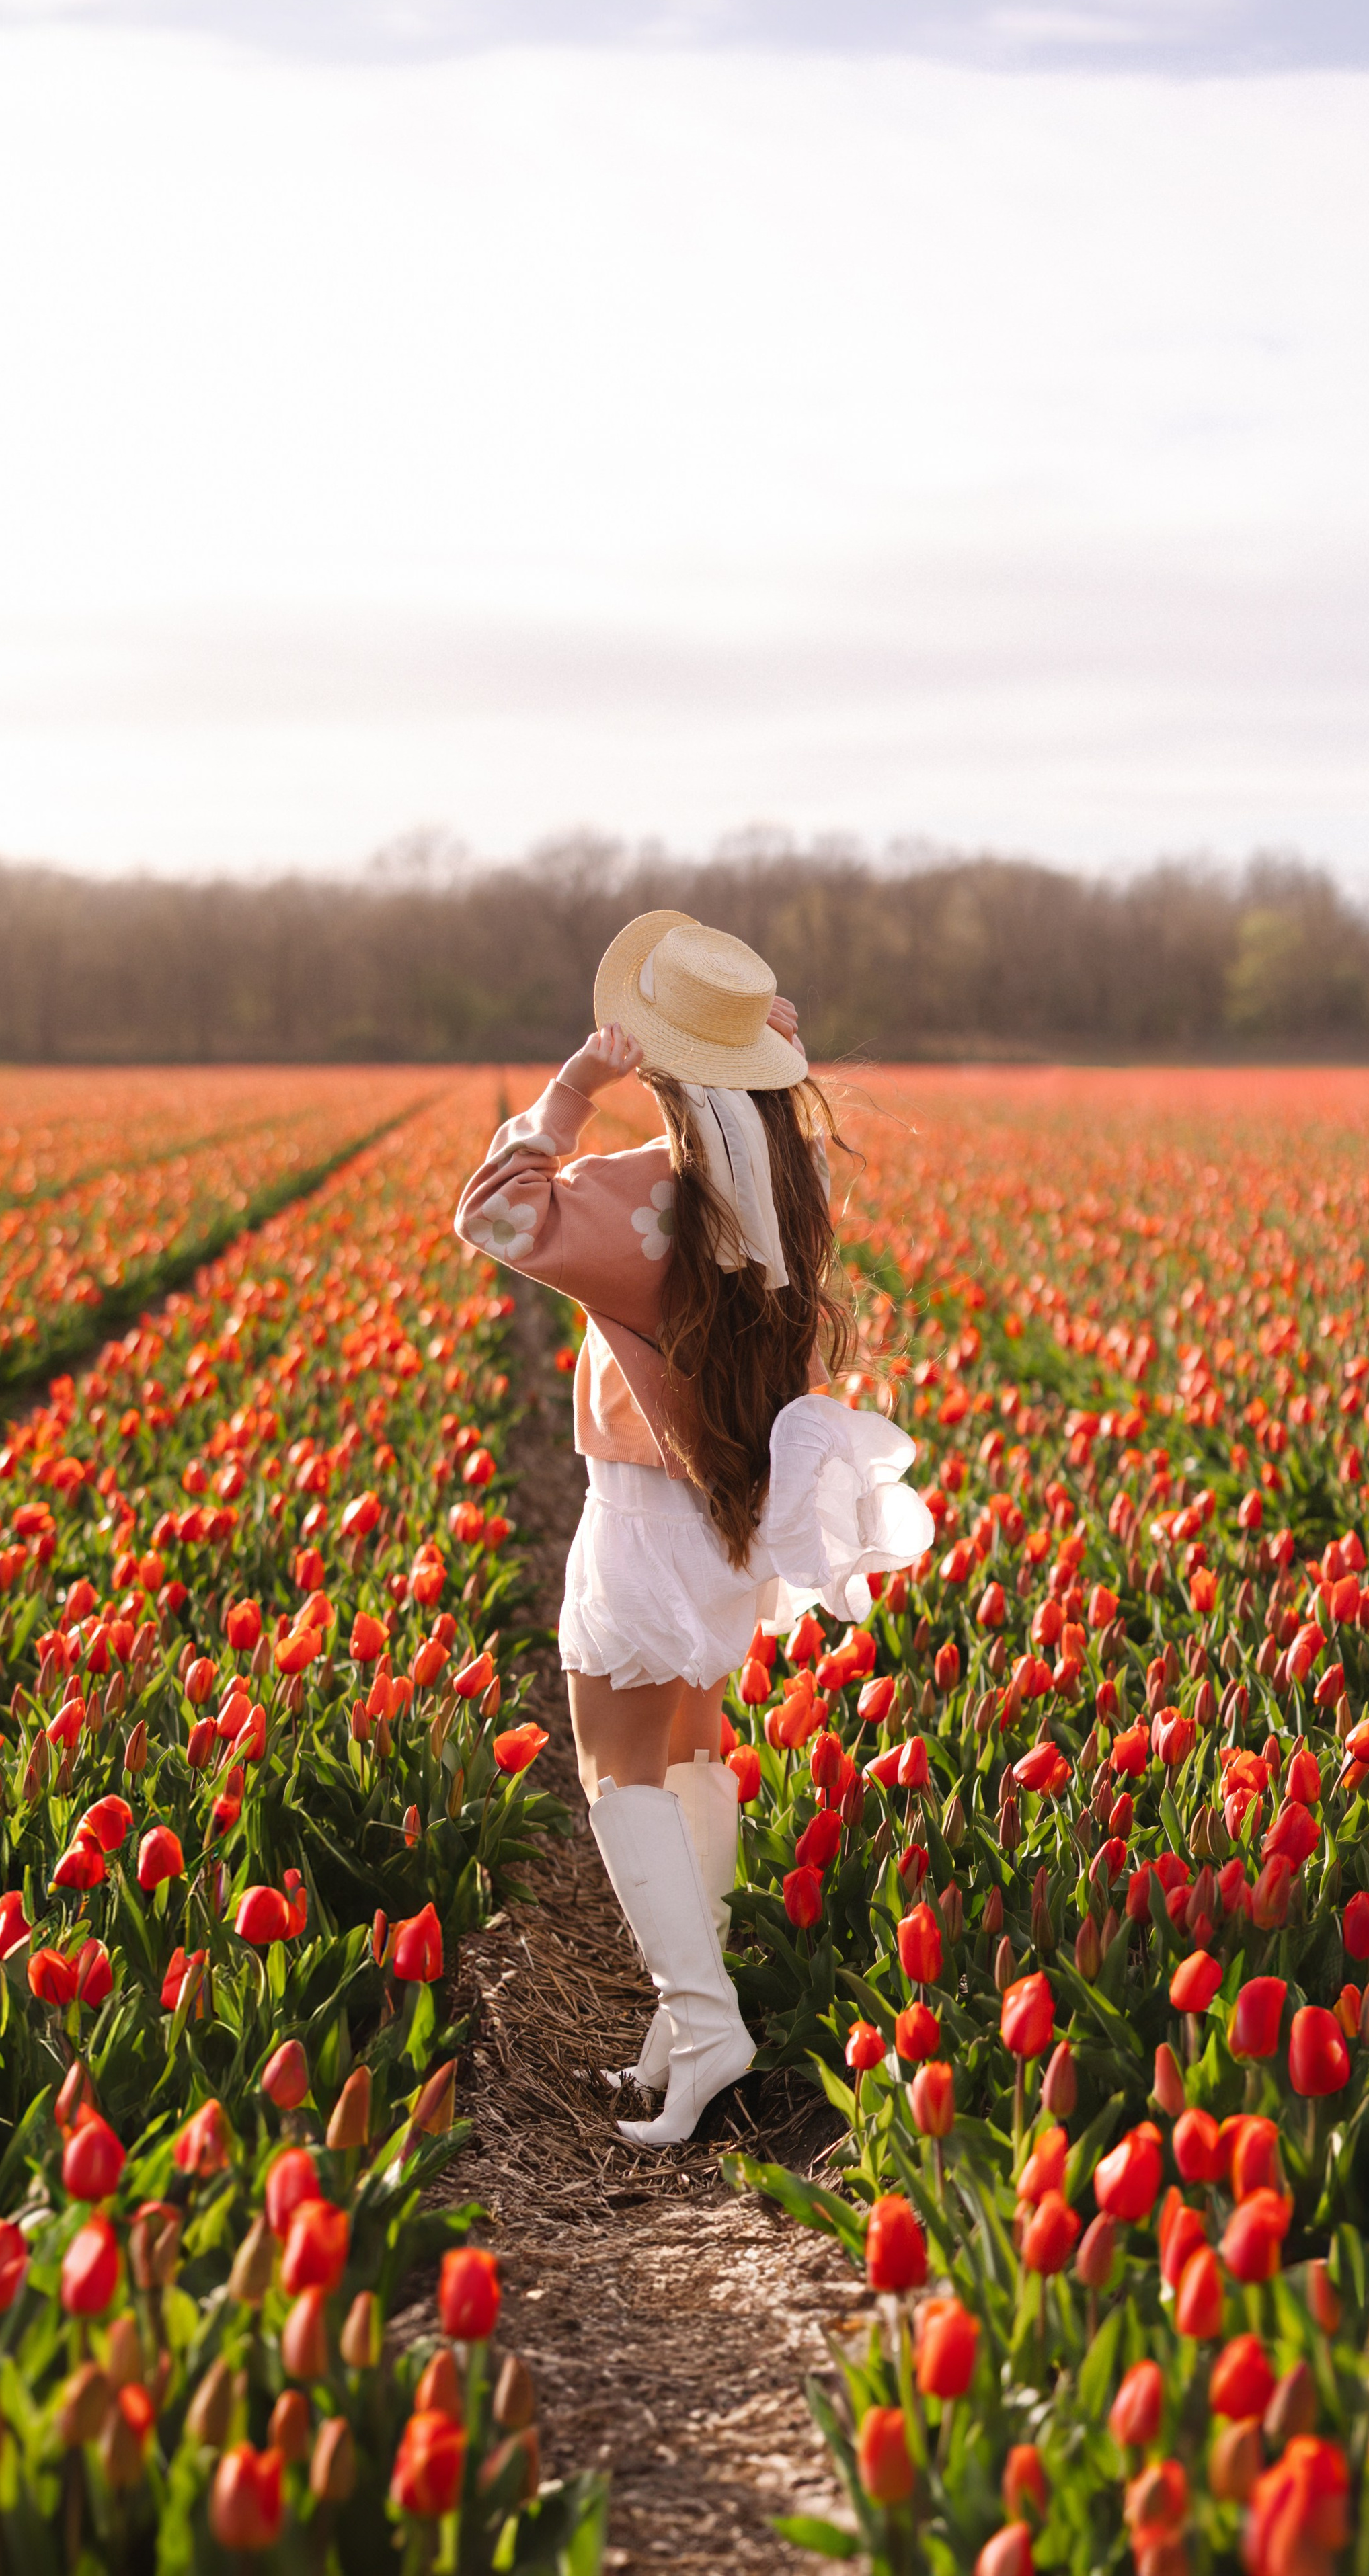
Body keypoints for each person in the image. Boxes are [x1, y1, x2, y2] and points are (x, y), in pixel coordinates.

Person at [454, 912, 931, 2147]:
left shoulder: (637, 1202)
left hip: (636, 1524)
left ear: (658, 1066)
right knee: (690, 1756)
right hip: (731, 1518)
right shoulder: (788, 1186)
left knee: (617, 1769)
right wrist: (764, 1061)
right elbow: (775, 1124)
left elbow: (495, 1216)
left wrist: (570, 1090)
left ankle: (703, 2021)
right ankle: (683, 2033)